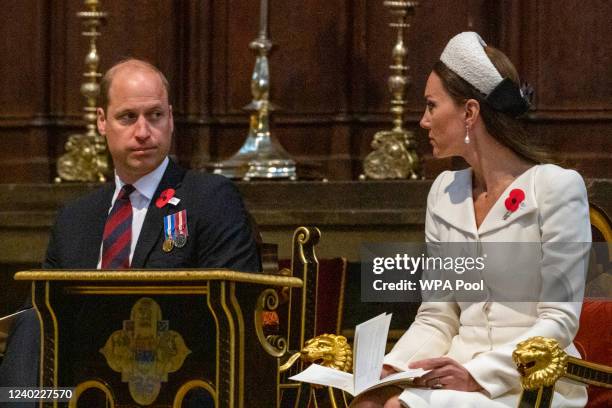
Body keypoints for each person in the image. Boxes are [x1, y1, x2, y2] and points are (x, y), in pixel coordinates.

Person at [351, 32, 590, 407]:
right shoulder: (445, 192)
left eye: (431, 106)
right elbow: (437, 316)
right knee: (370, 401)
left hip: (534, 384)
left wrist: (477, 375)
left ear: (470, 113)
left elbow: (558, 322)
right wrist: (391, 368)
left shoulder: (556, 188)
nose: (423, 121)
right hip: (453, 378)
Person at [0, 59, 261, 398]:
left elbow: (237, 311)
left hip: (177, 383)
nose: (142, 132)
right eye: (127, 117)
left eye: (155, 116)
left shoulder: (208, 198)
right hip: (78, 388)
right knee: (33, 322)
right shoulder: (75, 219)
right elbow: (45, 317)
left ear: (170, 119)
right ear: (101, 122)